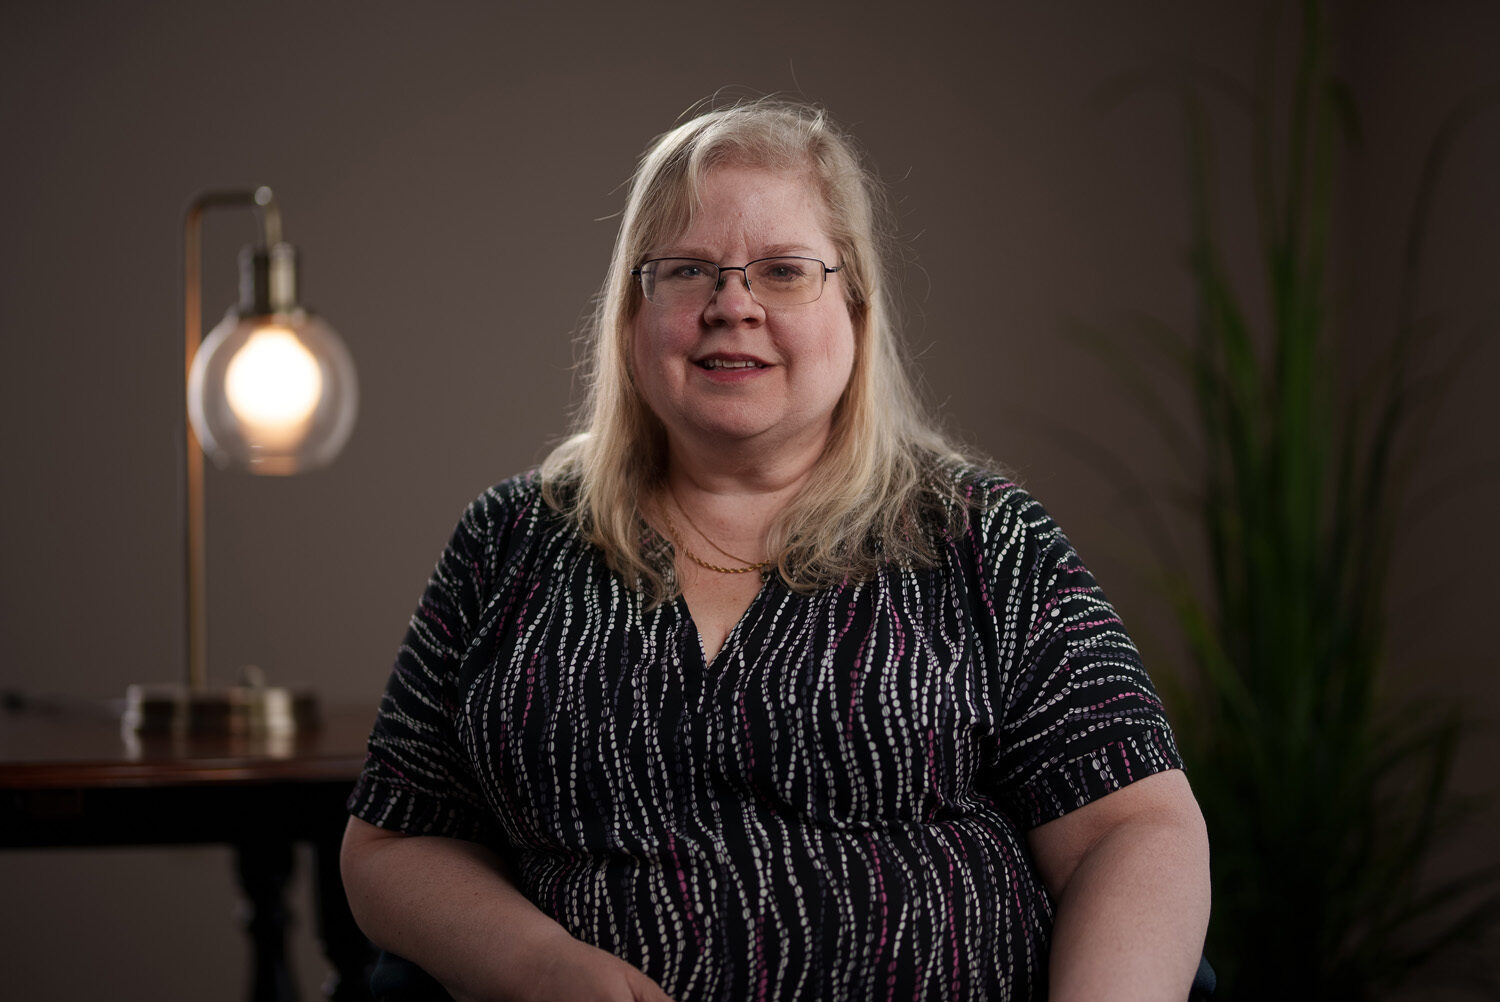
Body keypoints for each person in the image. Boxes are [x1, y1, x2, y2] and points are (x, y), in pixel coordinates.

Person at [341, 98, 1211, 1002]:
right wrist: (538, 965)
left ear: (856, 304)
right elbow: (394, 840)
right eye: (687, 272)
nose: (732, 307)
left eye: (784, 272)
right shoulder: (510, 540)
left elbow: (1136, 828)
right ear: (632, 313)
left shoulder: (979, 533)